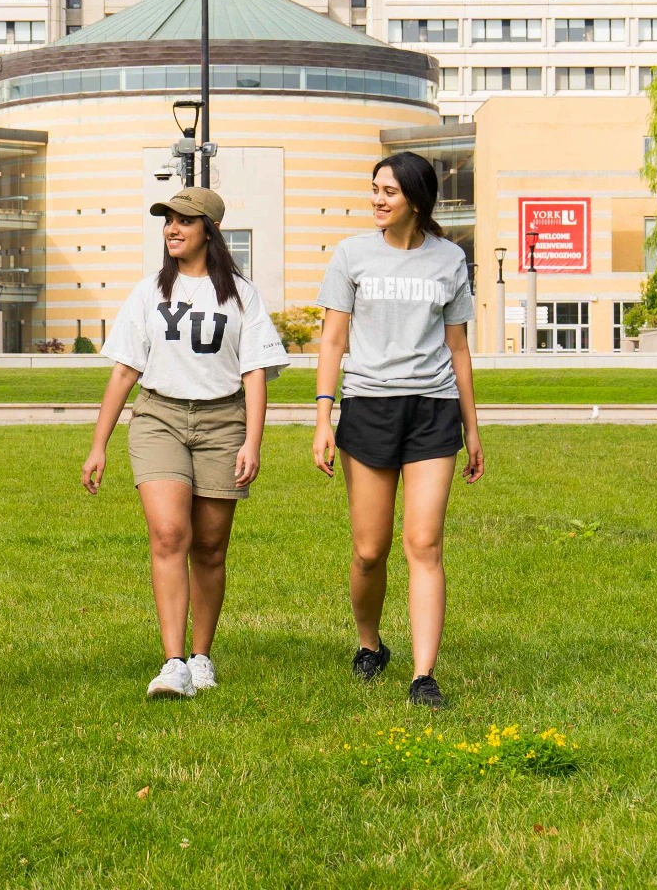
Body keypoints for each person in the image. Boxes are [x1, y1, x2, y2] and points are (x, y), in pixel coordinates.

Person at [82, 186, 289, 699]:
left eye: (184, 222)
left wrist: (252, 443)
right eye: (168, 221)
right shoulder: (150, 291)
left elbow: (256, 372)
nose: (172, 229)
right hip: (159, 418)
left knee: (211, 548)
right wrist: (98, 444)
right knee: (170, 534)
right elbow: (125, 369)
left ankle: (201, 657)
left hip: (222, 423)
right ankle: (172, 662)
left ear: (209, 232)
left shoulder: (241, 294)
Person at [312, 151, 483, 709]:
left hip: (433, 410)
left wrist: (473, 429)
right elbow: (333, 341)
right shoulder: (352, 255)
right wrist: (323, 415)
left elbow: (457, 348)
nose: (377, 199)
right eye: (374, 189)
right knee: (368, 550)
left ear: (416, 197)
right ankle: (369, 644)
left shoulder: (450, 260)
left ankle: (423, 675)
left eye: (388, 191)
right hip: (368, 406)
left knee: (424, 542)